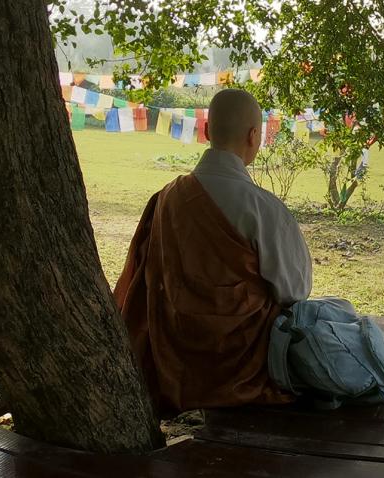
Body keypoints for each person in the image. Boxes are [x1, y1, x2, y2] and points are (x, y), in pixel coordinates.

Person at [113, 89, 312, 416]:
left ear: (206, 131)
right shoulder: (264, 209)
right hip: (244, 371)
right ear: (253, 137)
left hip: (173, 365)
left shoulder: (165, 199)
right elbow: (295, 291)